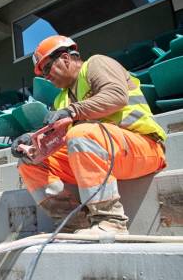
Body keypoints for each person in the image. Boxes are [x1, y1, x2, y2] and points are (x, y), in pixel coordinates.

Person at [11, 35, 167, 235]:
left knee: (81, 133)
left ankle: (110, 221)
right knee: (30, 162)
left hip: (144, 148)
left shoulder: (97, 64)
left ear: (66, 58)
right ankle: (75, 223)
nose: (46, 77)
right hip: (103, 156)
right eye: (43, 73)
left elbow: (116, 96)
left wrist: (73, 111)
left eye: (47, 68)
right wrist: (31, 141)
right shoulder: (61, 99)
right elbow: (59, 140)